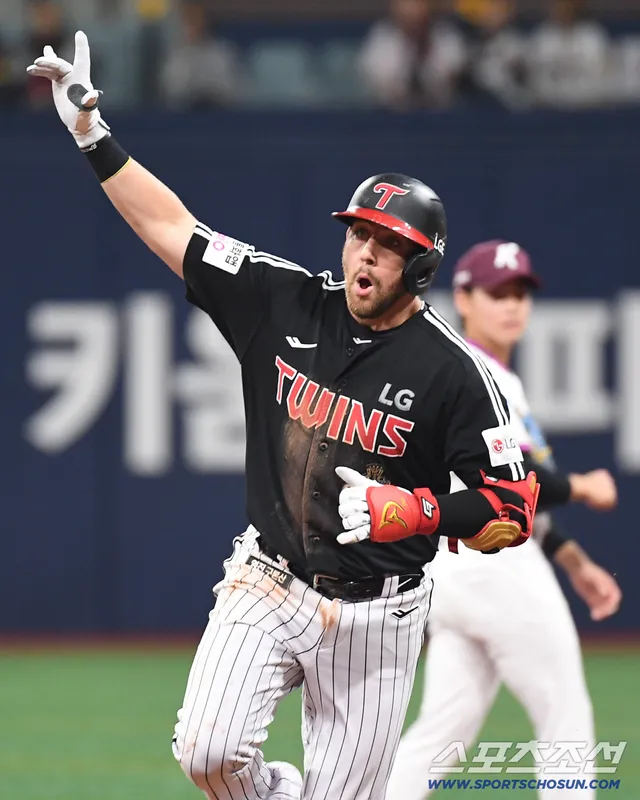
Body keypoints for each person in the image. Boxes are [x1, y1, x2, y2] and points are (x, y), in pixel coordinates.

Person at [27, 35, 541, 800]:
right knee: (207, 752)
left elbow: (514, 508)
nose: (364, 254)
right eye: (358, 232)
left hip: (379, 620)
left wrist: (422, 511)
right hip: (269, 580)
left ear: (423, 268)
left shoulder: (456, 374)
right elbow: (175, 230)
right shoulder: (285, 301)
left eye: (388, 245)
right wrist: (93, 137)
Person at [387, 240, 622, 800]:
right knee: (564, 710)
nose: (513, 305)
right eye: (497, 293)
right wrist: (584, 487)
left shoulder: (455, 369)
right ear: (463, 298)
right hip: (497, 567)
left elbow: (516, 500)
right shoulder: (480, 376)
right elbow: (527, 489)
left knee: (443, 732)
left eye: (520, 293)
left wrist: (573, 560)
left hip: (450, 571)